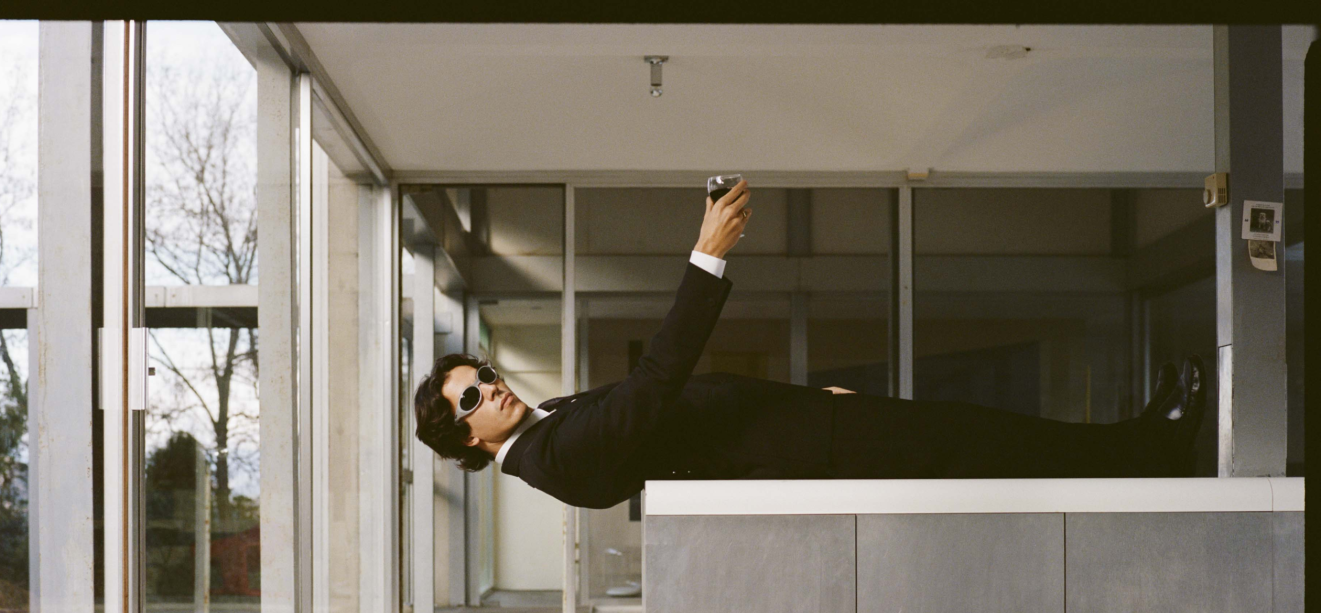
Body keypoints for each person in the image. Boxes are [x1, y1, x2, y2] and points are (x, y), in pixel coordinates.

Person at [414, 179, 1205, 510]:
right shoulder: (550, 458)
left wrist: (809, 402)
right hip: (804, 449)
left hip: (803, 427)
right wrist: (707, 255)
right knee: (980, 443)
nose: (491, 385)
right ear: (467, 439)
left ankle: (1136, 443)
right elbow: (656, 383)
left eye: (481, 372)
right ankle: (1149, 452)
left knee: (979, 435)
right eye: (472, 396)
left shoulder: (546, 425)